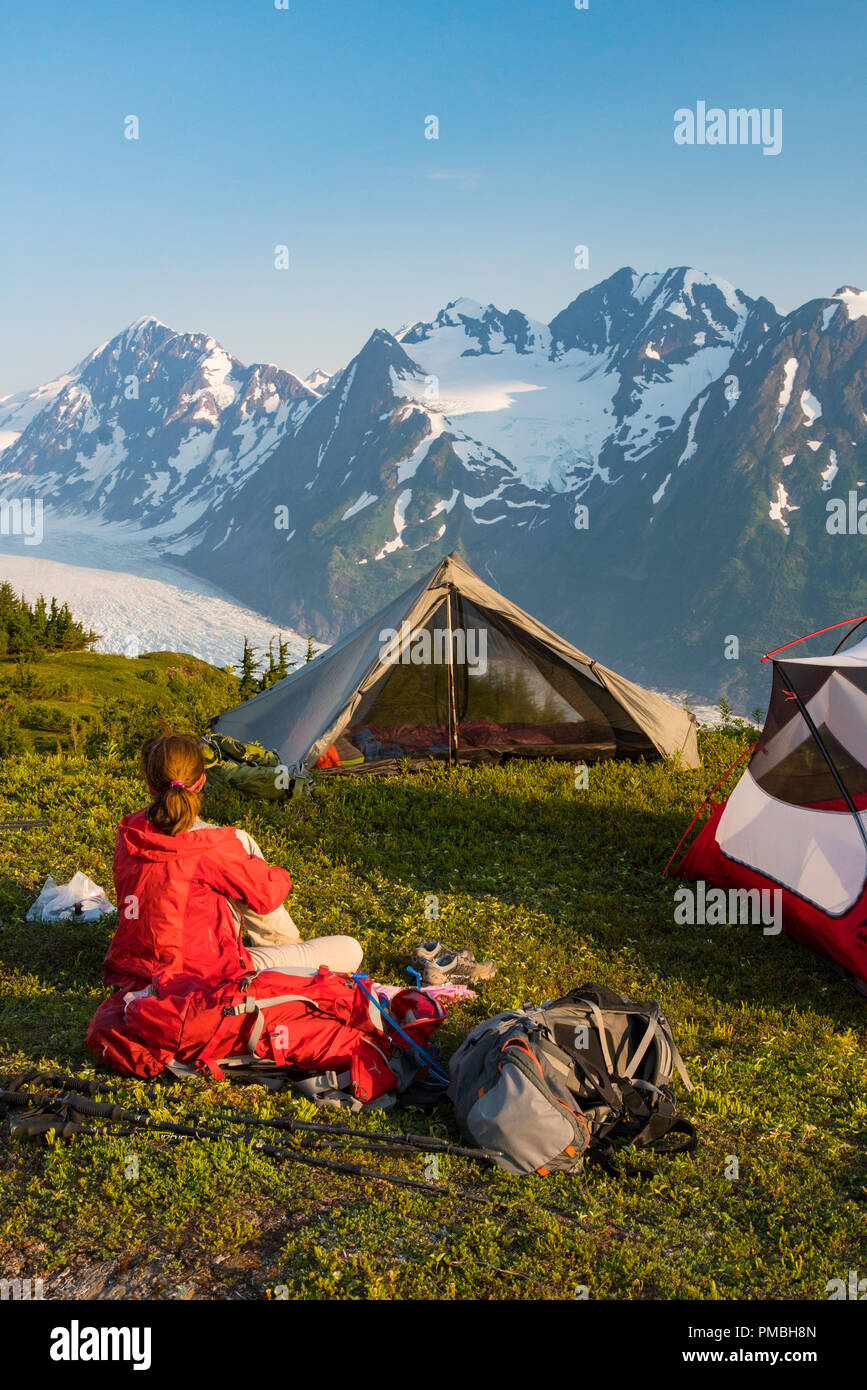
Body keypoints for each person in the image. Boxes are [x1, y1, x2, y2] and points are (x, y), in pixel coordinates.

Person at [102, 732, 363, 991]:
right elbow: (268, 897)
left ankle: (284, 948)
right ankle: (287, 953)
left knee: (235, 849)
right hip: (201, 975)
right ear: (202, 781)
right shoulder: (215, 844)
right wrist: (277, 873)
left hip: (132, 969)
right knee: (350, 949)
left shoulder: (128, 830)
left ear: (149, 783)